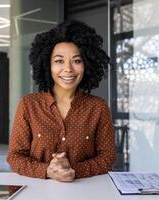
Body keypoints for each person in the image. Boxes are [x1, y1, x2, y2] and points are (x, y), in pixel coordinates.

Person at [7, 20, 116, 182]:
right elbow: (15, 157)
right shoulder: (28, 105)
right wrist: (48, 171)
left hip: (87, 192)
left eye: (76, 61)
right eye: (59, 61)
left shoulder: (98, 107)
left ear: (86, 65)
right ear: (47, 65)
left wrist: (72, 170)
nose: (68, 69)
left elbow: (107, 158)